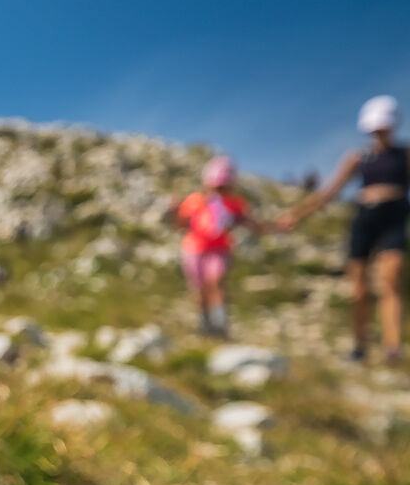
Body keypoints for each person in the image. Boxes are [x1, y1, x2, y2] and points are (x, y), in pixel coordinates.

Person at [278, 95, 410, 363]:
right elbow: (330, 191)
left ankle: (392, 347)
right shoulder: (358, 157)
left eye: (383, 128)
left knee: (391, 278)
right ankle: (359, 346)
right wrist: (298, 214)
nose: (379, 133)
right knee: (359, 286)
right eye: (376, 129)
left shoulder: (404, 154)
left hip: (395, 216)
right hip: (364, 218)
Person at [170, 155, 262, 338]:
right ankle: (205, 327)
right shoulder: (195, 200)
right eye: (217, 186)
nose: (220, 191)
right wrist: (176, 211)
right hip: (194, 250)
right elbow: (181, 224)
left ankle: (220, 325)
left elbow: (248, 223)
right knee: (201, 290)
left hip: (220, 249)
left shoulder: (235, 203)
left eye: (224, 187)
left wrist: (275, 226)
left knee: (217, 283)